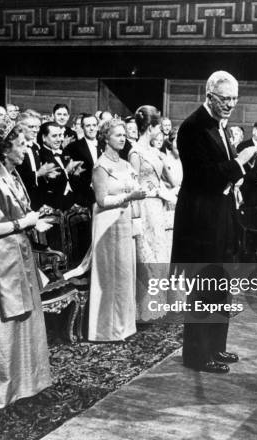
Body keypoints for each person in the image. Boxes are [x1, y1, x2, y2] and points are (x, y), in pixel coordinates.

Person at [171, 71, 257, 373]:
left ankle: (216, 348)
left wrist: (235, 170)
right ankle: (197, 355)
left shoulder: (218, 124)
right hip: (201, 220)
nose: (231, 105)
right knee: (203, 288)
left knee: (221, 285)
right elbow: (204, 177)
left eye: (235, 99)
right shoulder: (193, 128)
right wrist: (240, 161)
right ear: (210, 96)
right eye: (225, 99)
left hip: (220, 215)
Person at [0, 123, 52, 418]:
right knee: (2, 326)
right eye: (20, 144)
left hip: (19, 254)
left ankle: (26, 384)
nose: (26, 149)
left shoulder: (13, 175)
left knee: (25, 321)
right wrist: (25, 223)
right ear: (5, 149)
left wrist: (32, 222)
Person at [88, 119, 145, 341]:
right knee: (110, 274)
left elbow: (133, 186)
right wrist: (128, 196)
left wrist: (139, 192)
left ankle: (125, 326)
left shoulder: (126, 164)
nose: (123, 139)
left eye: (124, 135)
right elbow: (101, 199)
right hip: (107, 224)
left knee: (124, 273)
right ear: (105, 138)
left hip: (124, 222)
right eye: (118, 135)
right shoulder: (101, 166)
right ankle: (107, 331)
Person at [128, 105, 176, 322]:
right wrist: (150, 192)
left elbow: (169, 180)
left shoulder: (154, 151)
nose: (161, 132)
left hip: (158, 206)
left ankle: (158, 306)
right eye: (158, 126)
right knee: (147, 253)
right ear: (152, 127)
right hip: (145, 207)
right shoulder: (135, 152)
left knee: (160, 251)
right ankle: (143, 309)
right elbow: (132, 185)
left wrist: (163, 190)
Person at [66, 113, 101, 208]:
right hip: (84, 196)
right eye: (88, 126)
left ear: (98, 127)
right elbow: (72, 175)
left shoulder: (105, 146)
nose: (91, 128)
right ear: (82, 128)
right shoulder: (73, 147)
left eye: (94, 125)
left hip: (104, 193)